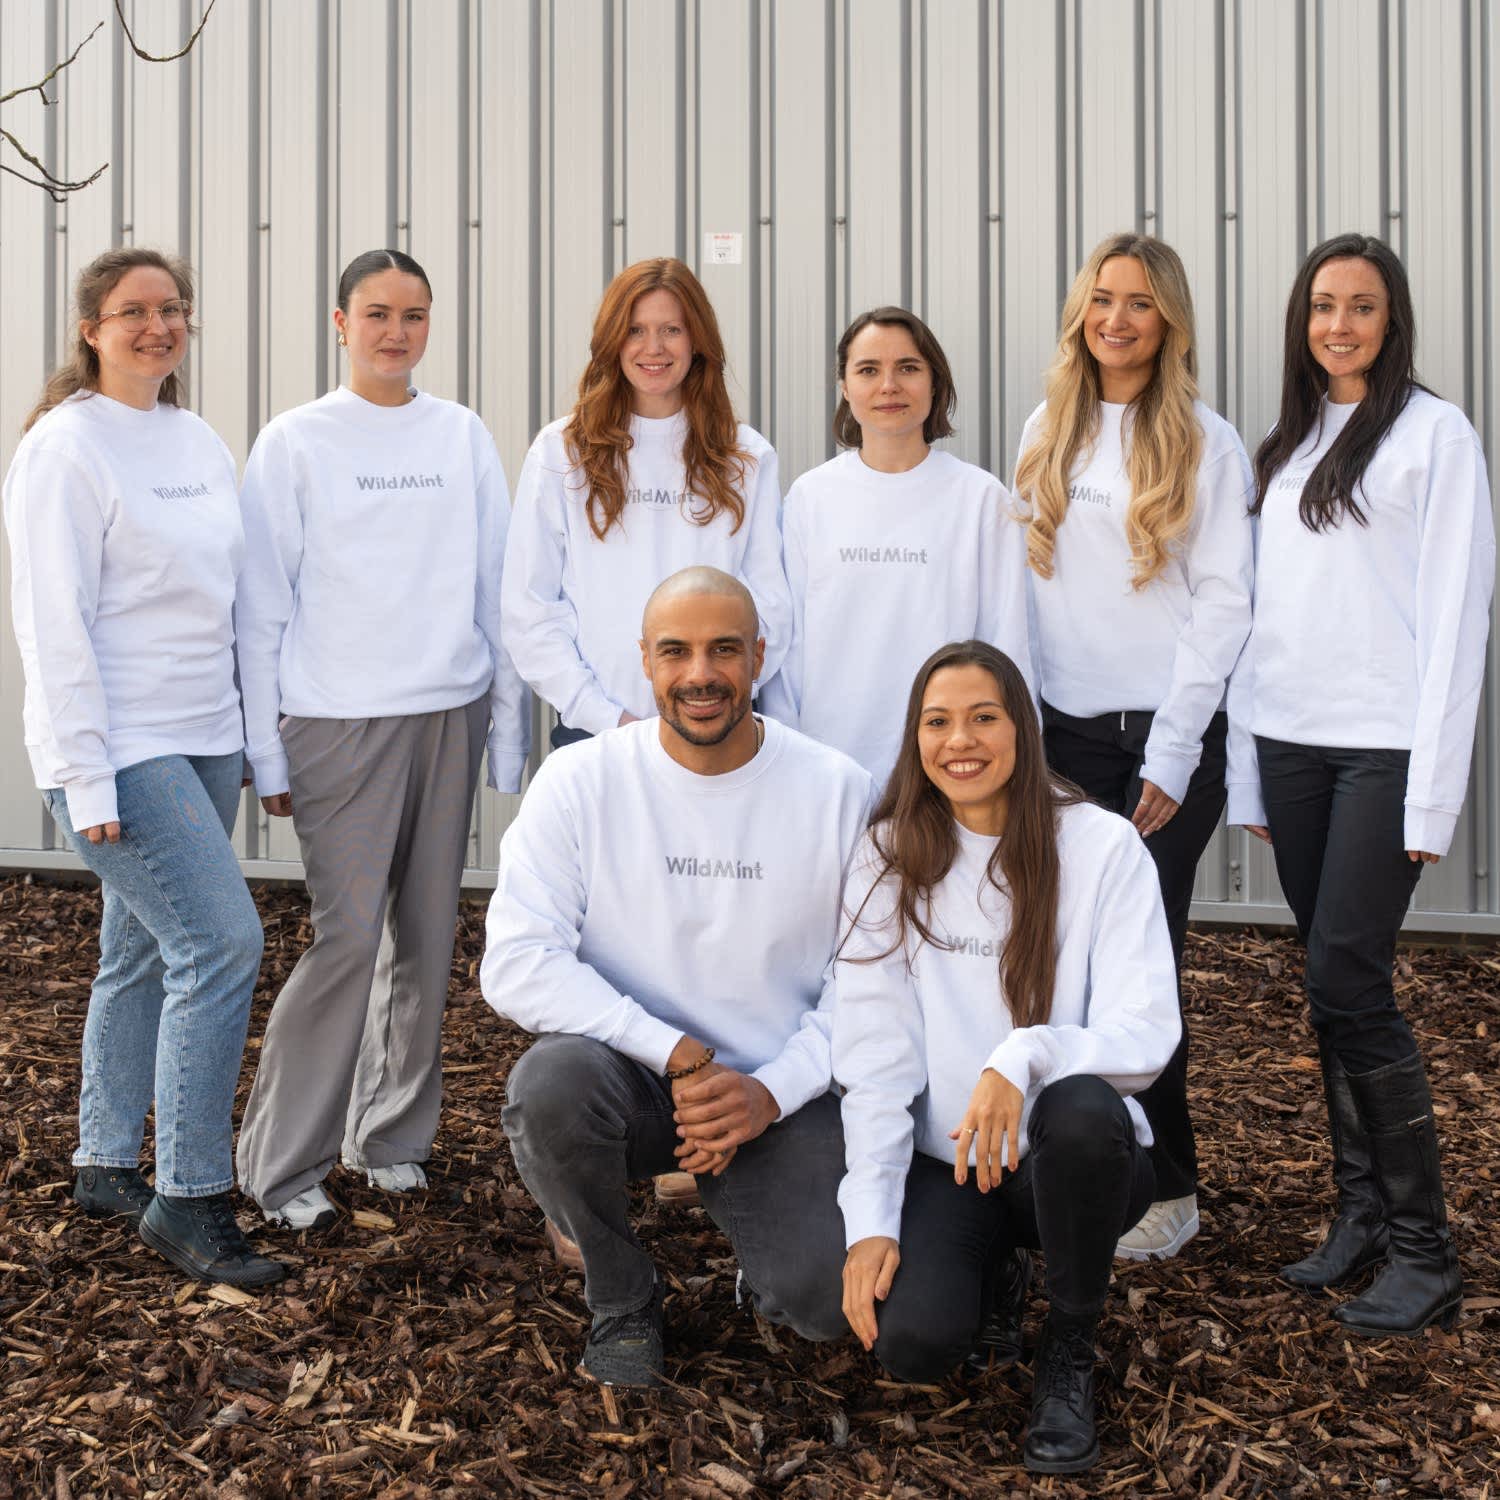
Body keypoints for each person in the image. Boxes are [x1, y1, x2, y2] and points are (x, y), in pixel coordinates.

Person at [483, 566, 871, 1386]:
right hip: (632, 1080)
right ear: (645, 660)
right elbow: (516, 960)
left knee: (823, 1305)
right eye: (676, 651)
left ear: (759, 655)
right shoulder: (581, 781)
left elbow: (871, 980)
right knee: (548, 1088)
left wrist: (770, 1092)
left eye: (724, 649)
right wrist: (675, 1052)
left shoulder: (837, 790)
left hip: (779, 1089)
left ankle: (759, 1260)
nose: (701, 674)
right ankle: (621, 1294)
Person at [1226, 234, 1493, 1336]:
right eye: (1323, 306)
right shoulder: (1287, 445)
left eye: (1363, 307)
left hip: (1383, 752)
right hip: (1293, 745)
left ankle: (1426, 1252)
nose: (1339, 325)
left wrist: (1432, 795)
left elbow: (1458, 622)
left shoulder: (1435, 437)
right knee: (1327, 983)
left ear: (1393, 320)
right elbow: (1261, 620)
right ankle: (1364, 1217)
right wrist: (1250, 777)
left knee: (1351, 982)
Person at [233, 249, 530, 1230]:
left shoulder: (460, 434)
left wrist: (503, 733)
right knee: (350, 939)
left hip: (446, 711)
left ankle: (390, 1135)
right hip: (337, 722)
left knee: (427, 938)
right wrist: (265, 749)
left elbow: (494, 583)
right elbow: (260, 606)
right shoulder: (296, 440)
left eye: (414, 315)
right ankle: (283, 1166)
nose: (395, 332)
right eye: (377, 313)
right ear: (341, 322)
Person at [2, 247, 282, 1289]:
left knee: (141, 951)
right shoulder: (64, 449)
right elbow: (54, 626)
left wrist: (247, 733)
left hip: (204, 734)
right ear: (92, 329)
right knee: (221, 943)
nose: (157, 326)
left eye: (172, 308)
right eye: (133, 311)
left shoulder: (194, 438)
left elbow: (230, 596)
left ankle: (105, 1160)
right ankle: (191, 1197)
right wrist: (83, 774)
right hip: (121, 747)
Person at [834, 641, 1179, 1475]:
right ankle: (994, 1271)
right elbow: (874, 1056)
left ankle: (1069, 1346)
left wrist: (1022, 1054)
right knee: (915, 1346)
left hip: (1067, 1163)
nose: (960, 740)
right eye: (938, 722)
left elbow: (1147, 1032)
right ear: (916, 738)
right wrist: (871, 1219)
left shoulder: (1100, 847)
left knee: (1084, 1109)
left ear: (1022, 728)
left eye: (983, 717)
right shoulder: (889, 854)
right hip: (948, 1163)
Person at [1012, 233, 1253, 1260]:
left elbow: (1225, 604)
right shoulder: (1047, 428)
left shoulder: (1207, 441)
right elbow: (1027, 593)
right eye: (1103, 299)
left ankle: (1171, 1189)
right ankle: (1072, 1168)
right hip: (1062, 738)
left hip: (1163, 743)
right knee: (1057, 960)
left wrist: (1173, 752)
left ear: (1170, 322)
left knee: (1142, 964)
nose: (1117, 319)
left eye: (1141, 303)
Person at [501, 256, 792, 748]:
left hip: (716, 730)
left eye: (671, 330)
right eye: (635, 330)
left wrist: (711, 701)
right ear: (612, 340)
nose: (653, 348)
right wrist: (608, 719)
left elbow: (770, 608)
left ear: (697, 340)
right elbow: (530, 610)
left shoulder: (745, 456)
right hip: (595, 736)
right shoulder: (561, 453)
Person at [760, 307, 1033, 787]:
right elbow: (788, 647)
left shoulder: (979, 498)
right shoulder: (811, 496)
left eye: (907, 368)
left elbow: (1008, 641)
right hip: (828, 766)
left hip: (948, 766)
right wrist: (789, 757)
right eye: (868, 370)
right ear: (845, 387)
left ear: (934, 382)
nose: (889, 386)